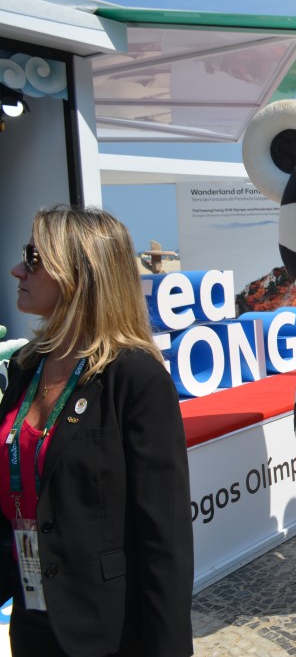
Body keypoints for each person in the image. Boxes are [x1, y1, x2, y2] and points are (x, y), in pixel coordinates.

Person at [1, 207, 193, 656]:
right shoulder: (27, 365)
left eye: (33, 258)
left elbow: (163, 537)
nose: (17, 269)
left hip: (106, 630)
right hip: (32, 620)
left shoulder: (134, 376)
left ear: (80, 273)